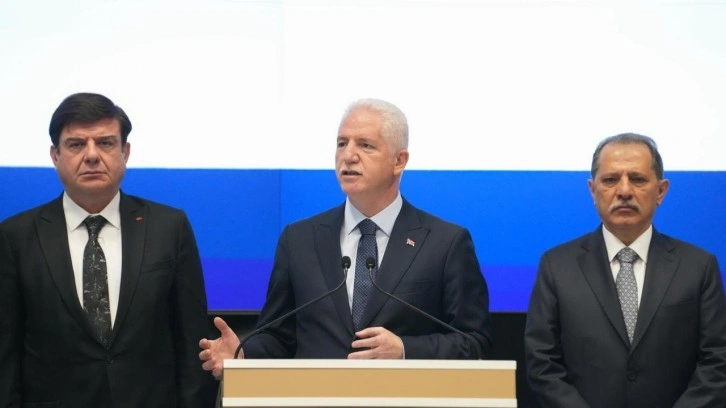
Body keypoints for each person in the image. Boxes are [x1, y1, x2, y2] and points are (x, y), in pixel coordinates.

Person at [199, 98, 491, 375]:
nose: (348, 156)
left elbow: (474, 343)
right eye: (342, 143)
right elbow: (280, 336)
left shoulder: (445, 243)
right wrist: (243, 353)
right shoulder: (299, 240)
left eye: (365, 145)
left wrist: (405, 350)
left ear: (399, 161)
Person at [0, 93, 216, 407]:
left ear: (125, 152)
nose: (91, 155)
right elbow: (6, 354)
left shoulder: (170, 228)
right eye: (76, 144)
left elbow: (191, 342)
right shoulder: (16, 237)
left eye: (105, 143)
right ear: (55, 156)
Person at [524, 133, 726, 407]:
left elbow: (717, 363)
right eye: (610, 180)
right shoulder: (557, 266)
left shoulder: (699, 267)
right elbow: (542, 363)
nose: (624, 191)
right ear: (592, 190)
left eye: (638, 179)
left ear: (661, 191)